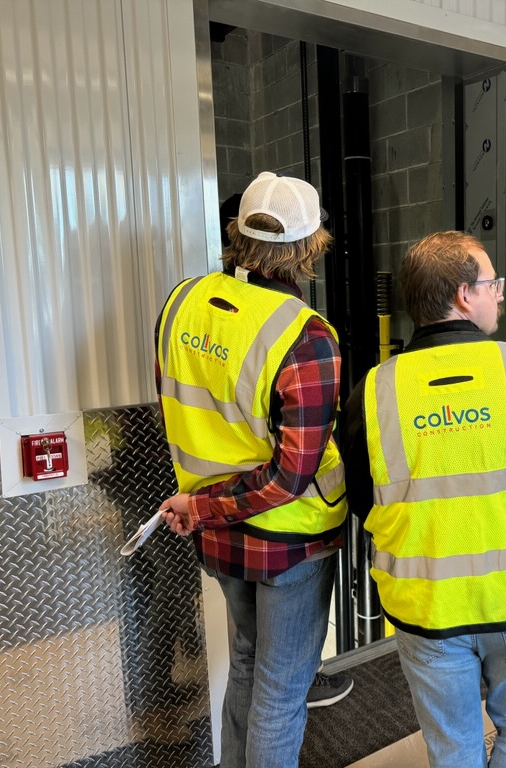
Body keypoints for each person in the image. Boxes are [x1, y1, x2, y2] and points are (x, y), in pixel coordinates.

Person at [343, 231, 506, 767]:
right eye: (492, 283)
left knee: (452, 746)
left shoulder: (373, 391)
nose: (500, 293)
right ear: (464, 295)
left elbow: (361, 499)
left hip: (426, 604)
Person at [156, 171, 352, 768]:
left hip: (214, 534)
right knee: (281, 690)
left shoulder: (182, 301)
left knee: (247, 660)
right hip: (291, 540)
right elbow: (290, 477)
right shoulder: (305, 335)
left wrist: (201, 507)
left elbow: (177, 408)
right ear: (310, 246)